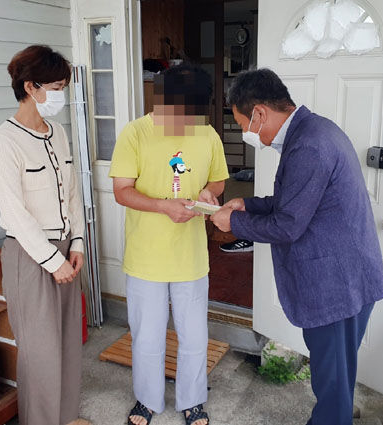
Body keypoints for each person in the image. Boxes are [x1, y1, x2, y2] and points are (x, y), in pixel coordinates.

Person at [211, 68, 383, 425]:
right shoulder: (316, 130)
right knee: (337, 377)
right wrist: (247, 205)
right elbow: (297, 202)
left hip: (335, 286)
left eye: (244, 124)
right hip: (348, 277)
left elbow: (288, 225)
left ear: (260, 113)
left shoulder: (308, 145)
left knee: (332, 383)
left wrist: (233, 223)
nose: (247, 134)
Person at [109, 64, 229, 425]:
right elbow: (121, 191)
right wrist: (163, 206)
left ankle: (192, 400)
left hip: (190, 256)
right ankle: (147, 400)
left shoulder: (207, 134)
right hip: (146, 256)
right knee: (147, 337)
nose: (185, 123)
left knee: (194, 337)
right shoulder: (135, 133)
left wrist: (209, 192)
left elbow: (219, 181)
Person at [0, 45, 90, 425]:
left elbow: (72, 191)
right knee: (40, 354)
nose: (61, 95)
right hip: (29, 258)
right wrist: (51, 261)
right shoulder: (3, 143)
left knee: (68, 346)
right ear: (30, 86)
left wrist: (77, 242)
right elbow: (15, 213)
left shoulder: (58, 133)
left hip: (66, 253)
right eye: (56, 87)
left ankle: (66, 418)